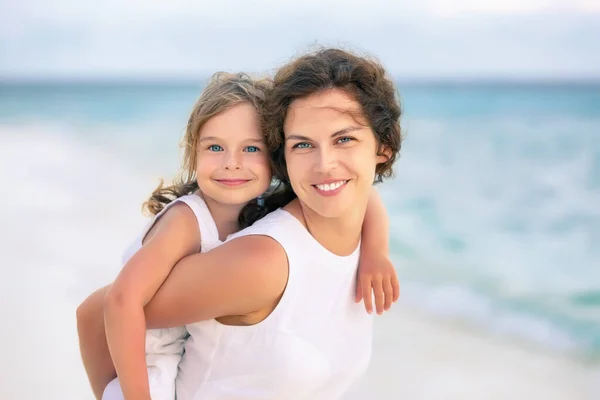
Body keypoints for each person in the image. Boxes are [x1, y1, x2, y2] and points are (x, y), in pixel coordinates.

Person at [76, 68, 399, 400]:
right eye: (215, 148)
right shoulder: (189, 221)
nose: (232, 163)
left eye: (251, 149)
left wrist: (376, 251)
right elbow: (105, 308)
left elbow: (362, 195)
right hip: (149, 376)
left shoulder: (263, 204)